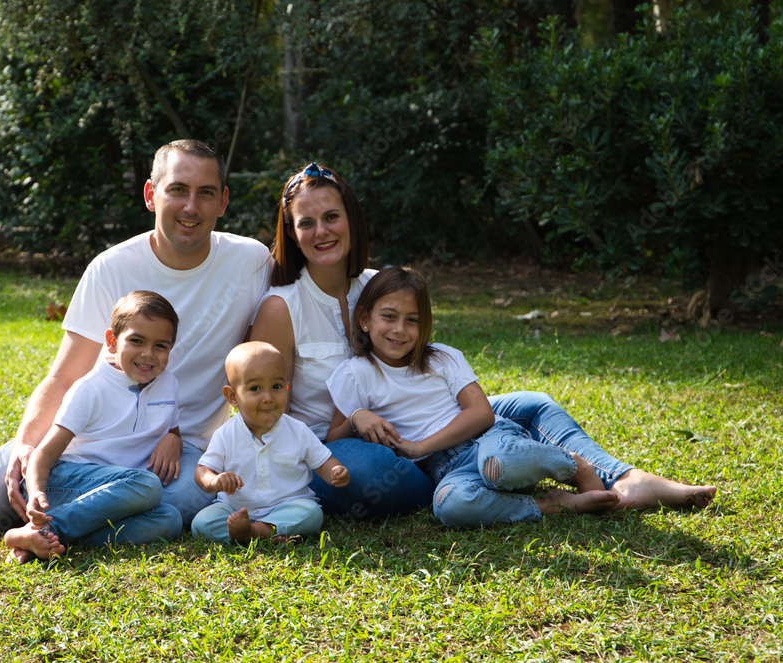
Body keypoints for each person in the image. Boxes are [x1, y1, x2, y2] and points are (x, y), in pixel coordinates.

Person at [0, 140, 274, 551]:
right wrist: (25, 443)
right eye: (177, 190)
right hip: (87, 446)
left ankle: (41, 527)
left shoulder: (251, 262)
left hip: (177, 452)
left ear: (223, 202)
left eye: (205, 194)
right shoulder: (111, 268)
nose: (191, 207)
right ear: (151, 194)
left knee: (178, 505)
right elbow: (65, 375)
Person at [249, 162, 716, 520]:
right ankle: (469, 482)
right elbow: (269, 411)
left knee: (530, 403)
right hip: (343, 448)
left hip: (428, 427)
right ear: (290, 232)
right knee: (370, 470)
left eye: (332, 216)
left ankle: (626, 480)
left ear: (351, 219)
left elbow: (422, 364)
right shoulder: (281, 306)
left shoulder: (377, 285)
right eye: (305, 222)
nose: (321, 231)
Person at [326, 267, 622, 528]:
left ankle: (573, 465)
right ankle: (551, 504)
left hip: (488, 440)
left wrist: (420, 447)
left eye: (412, 320)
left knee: (499, 463)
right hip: (446, 470)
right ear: (365, 320)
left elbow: (482, 412)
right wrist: (356, 415)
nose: (399, 329)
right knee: (450, 505)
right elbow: (334, 440)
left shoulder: (441, 358)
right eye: (388, 316)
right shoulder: (355, 373)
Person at [4, 291, 184, 560]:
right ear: (112, 341)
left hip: (111, 492)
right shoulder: (91, 388)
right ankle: (50, 528)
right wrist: (37, 492)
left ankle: (42, 538)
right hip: (66, 481)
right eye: (136, 341)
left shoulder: (169, 383)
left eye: (161, 346)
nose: (148, 354)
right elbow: (44, 453)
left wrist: (174, 440)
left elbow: (172, 428)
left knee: (170, 519)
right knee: (148, 485)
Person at [191, 342, 350, 543]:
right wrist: (214, 481)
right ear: (232, 397)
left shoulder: (298, 430)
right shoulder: (225, 434)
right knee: (202, 523)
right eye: (255, 388)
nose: (268, 398)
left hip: (286, 505)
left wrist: (335, 472)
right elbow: (202, 471)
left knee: (311, 514)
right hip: (236, 509)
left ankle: (255, 533)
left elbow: (323, 462)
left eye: (276, 387)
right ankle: (265, 534)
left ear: (286, 387)